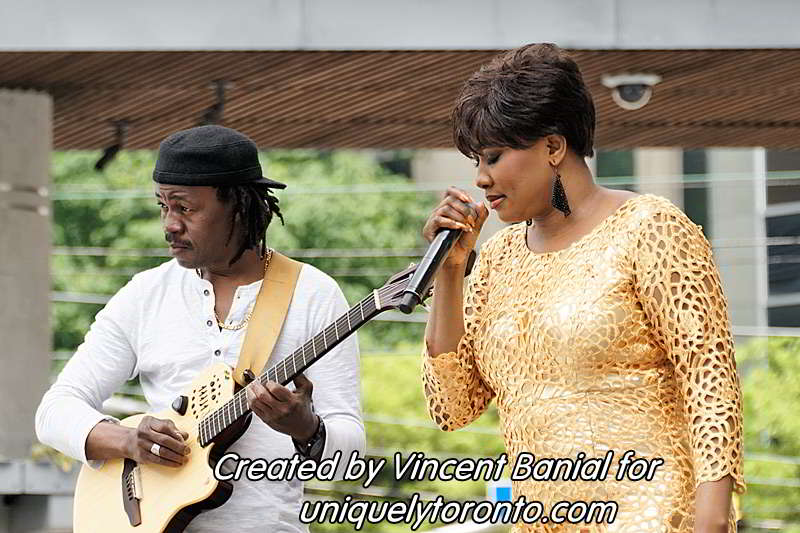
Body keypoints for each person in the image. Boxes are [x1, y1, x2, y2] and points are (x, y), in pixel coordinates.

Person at [421, 44, 744, 532]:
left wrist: (713, 519)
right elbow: (452, 407)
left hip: (652, 515)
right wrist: (450, 272)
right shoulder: (497, 260)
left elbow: (710, 380)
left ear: (553, 147)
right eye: (476, 162)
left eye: (493, 156)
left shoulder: (649, 228)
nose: (481, 179)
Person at [36, 125, 365, 532]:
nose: (169, 224)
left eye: (185, 208)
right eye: (163, 206)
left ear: (239, 207)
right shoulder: (145, 294)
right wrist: (129, 440)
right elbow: (54, 411)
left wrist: (305, 428)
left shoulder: (313, 294)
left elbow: (350, 460)